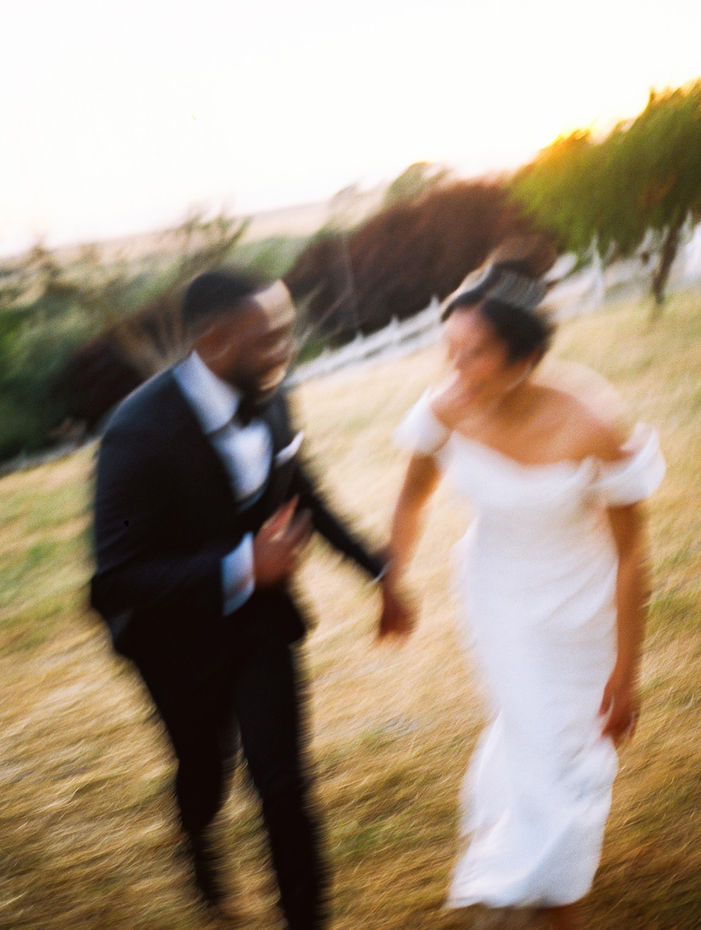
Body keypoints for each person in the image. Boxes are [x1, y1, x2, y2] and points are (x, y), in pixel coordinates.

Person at [90, 269, 406, 929]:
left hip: (261, 631)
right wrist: (240, 565)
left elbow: (302, 490)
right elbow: (115, 579)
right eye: (270, 337)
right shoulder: (134, 433)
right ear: (214, 339)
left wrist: (375, 569)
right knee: (205, 771)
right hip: (174, 642)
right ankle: (199, 843)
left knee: (285, 791)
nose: (286, 349)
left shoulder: (271, 390)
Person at [381, 239, 665, 930]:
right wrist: (391, 578)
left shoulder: (592, 422)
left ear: (523, 355)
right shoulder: (446, 408)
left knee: (568, 751)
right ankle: (541, 893)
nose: (454, 369)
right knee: (530, 733)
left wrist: (626, 671)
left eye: (472, 354)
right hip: (497, 597)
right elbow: (412, 498)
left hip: (578, 607)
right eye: (448, 350)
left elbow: (632, 555)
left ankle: (540, 886)